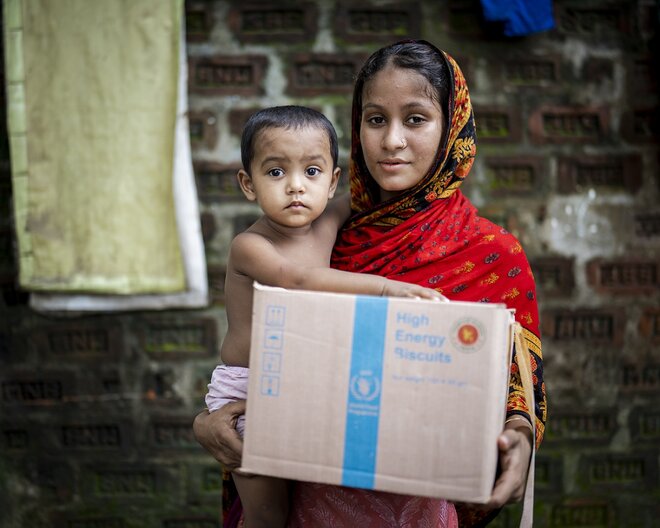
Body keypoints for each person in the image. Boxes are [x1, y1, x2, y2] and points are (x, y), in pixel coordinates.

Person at [194, 41, 547, 528]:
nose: (392, 141)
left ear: (452, 127)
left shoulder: (489, 253)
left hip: (420, 501)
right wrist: (205, 422)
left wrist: (520, 440)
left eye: (416, 119)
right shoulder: (320, 235)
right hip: (308, 495)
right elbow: (263, 351)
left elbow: (518, 385)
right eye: (376, 119)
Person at [206, 105, 446, 528]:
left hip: (303, 385)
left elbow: (375, 204)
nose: (296, 186)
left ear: (332, 180)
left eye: (312, 172)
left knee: (312, 503)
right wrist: (388, 289)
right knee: (267, 516)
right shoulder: (251, 245)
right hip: (247, 393)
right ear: (248, 184)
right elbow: (297, 279)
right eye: (276, 173)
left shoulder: (329, 221)